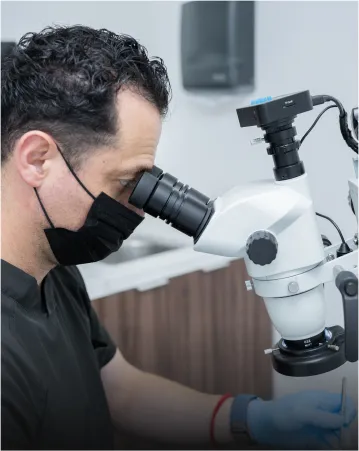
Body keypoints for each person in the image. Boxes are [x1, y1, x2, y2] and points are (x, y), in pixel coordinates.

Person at [1, 25, 356, 451]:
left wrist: (252, 418)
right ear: (38, 160)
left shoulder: (52, 269)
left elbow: (119, 390)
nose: (136, 208)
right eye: (125, 182)